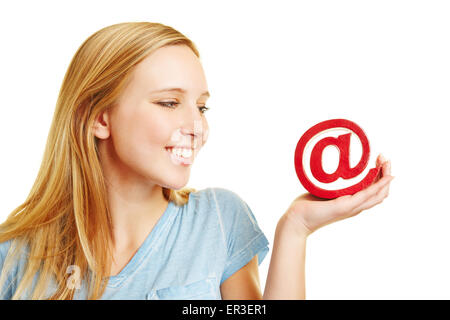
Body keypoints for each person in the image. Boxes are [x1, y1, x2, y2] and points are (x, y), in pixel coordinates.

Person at [0, 22, 394, 300]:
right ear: (99, 118)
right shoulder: (13, 255)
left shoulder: (220, 219)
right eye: (170, 103)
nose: (196, 126)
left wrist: (296, 229)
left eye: (202, 107)